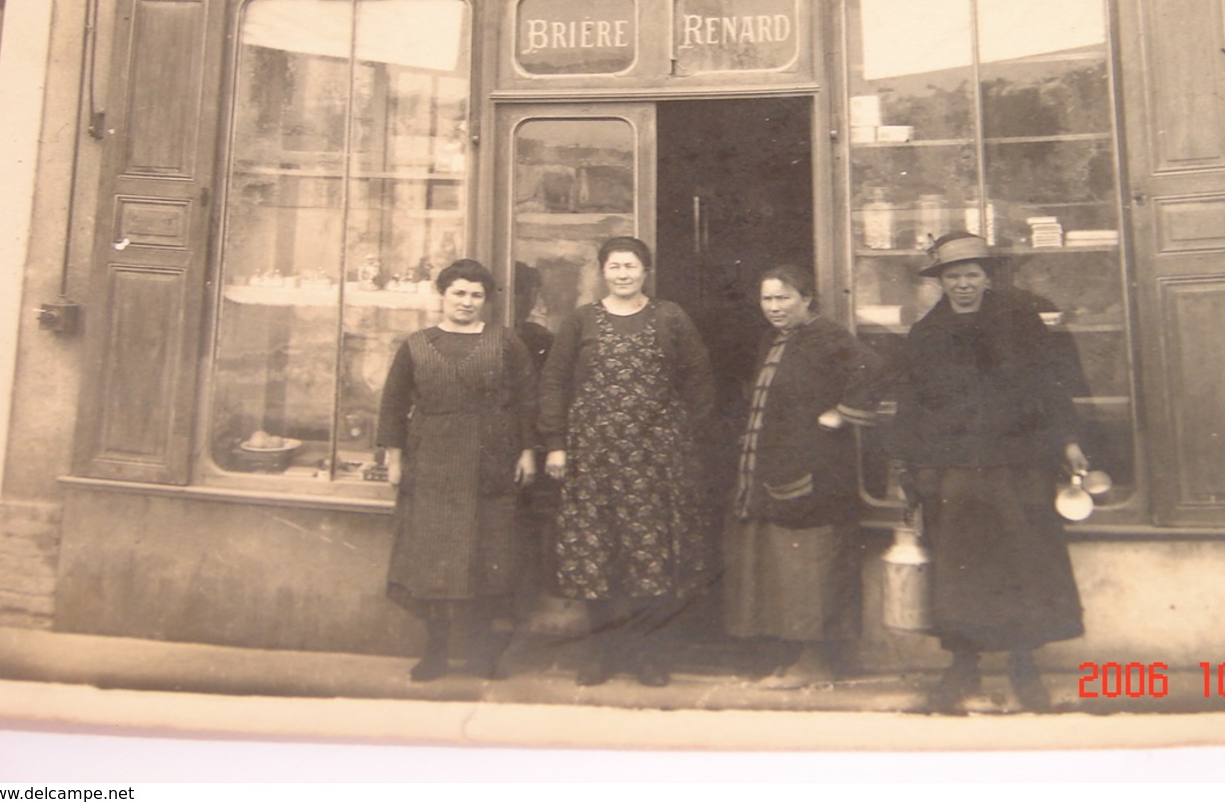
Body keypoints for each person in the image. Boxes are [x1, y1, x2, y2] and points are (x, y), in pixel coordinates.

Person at [890, 232, 1088, 713]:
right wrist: (908, 470)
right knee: (959, 571)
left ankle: (1025, 665)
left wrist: (1069, 441)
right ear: (940, 281)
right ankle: (963, 665)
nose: (963, 285)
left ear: (986, 277)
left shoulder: (1020, 322)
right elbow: (910, 408)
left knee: (1024, 563)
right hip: (953, 469)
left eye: (972, 275)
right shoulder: (926, 335)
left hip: (1017, 465)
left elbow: (1051, 387)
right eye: (953, 276)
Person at [539, 235, 716, 687]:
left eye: (631, 267)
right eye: (615, 267)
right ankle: (601, 654)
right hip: (592, 458)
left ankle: (647, 655)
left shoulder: (669, 317)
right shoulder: (581, 322)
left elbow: (699, 379)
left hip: (656, 460)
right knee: (595, 556)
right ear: (602, 272)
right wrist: (556, 443)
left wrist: (681, 434)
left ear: (645, 272)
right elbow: (555, 383)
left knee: (651, 558)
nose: (623, 274)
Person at [378, 259, 538, 682]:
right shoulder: (416, 345)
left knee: (489, 557)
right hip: (432, 460)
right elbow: (393, 404)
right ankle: (435, 654)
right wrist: (394, 458)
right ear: (443, 295)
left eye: (476, 295)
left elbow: (527, 400)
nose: (467, 302)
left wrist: (527, 452)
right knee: (435, 557)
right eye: (459, 293)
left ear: (486, 301)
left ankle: (482, 656)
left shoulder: (505, 342)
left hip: (492, 461)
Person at [724, 265, 881, 689]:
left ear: (807, 298)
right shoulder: (772, 340)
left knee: (809, 572)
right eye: (767, 299)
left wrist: (840, 415)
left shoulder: (827, 337)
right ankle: (789, 659)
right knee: (783, 571)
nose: (774, 308)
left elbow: (875, 370)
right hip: (778, 472)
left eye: (784, 298)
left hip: (816, 475)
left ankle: (813, 664)